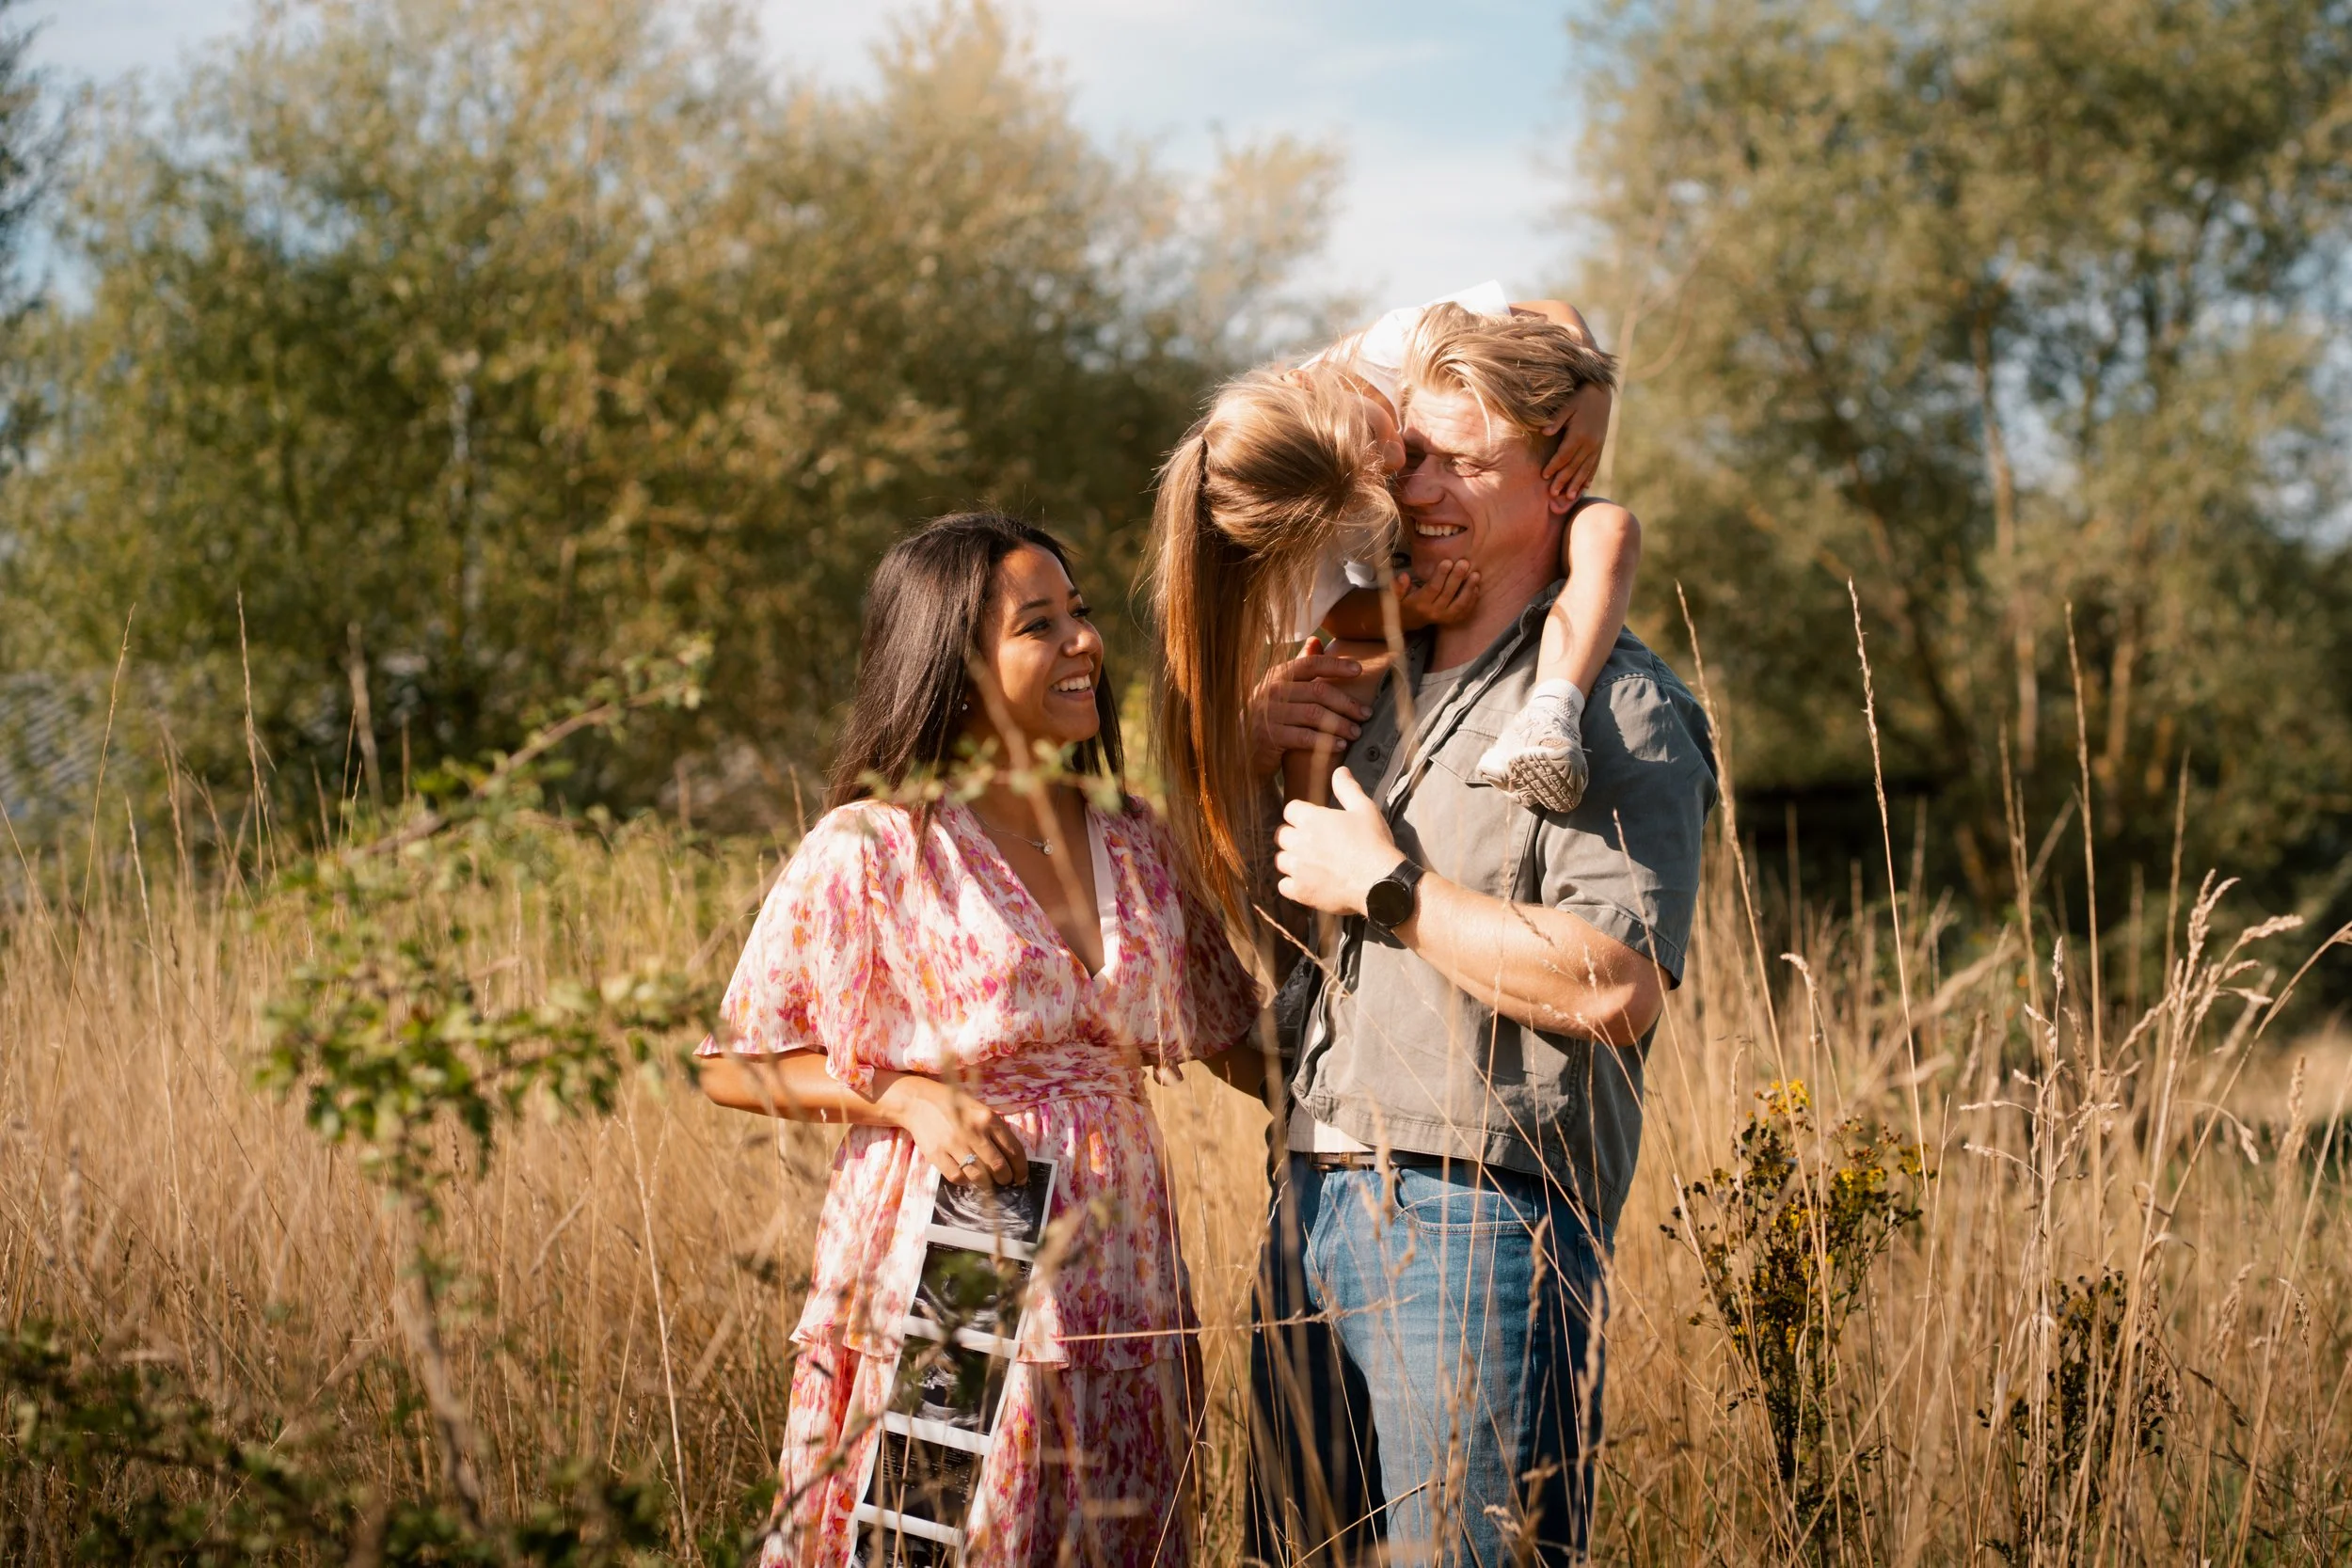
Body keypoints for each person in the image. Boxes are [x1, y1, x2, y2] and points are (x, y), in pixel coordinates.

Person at [1227, 304, 1719, 1564]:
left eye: (1460, 463)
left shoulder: (1618, 706)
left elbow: (1614, 986)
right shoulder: (1372, 676)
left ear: (1559, 478)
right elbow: (1286, 920)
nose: (1416, 489)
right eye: (1415, 458)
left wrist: (1390, 887)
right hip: (1306, 1197)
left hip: (1478, 1225)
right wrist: (1256, 752)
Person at [697, 513, 1263, 1568]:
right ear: (953, 668)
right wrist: (907, 1096)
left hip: (1121, 1257)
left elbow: (1236, 1033)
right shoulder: (876, 845)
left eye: (1079, 612)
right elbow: (734, 1062)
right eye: (1038, 624)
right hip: (964, 1237)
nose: (1084, 640)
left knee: (1109, 1536)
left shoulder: (1135, 833)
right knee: (935, 1535)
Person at [1149, 283, 1635, 935]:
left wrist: (1595, 390)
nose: (1399, 461)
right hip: (1398, 588)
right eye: (1376, 476)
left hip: (1469, 543)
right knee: (1326, 691)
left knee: (1609, 530)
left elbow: (1551, 313)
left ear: (1305, 381)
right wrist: (1411, 613)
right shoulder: (1299, 501)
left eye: (1379, 435)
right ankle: (1312, 911)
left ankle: (1552, 709)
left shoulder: (1388, 345)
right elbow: (1337, 614)